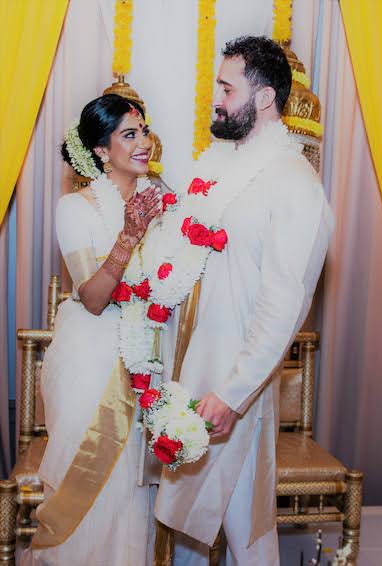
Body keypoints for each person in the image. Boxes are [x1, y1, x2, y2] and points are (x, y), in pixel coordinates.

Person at [155, 36, 334, 565]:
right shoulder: (218, 168)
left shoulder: (294, 184)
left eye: (226, 87)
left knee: (244, 527)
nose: (216, 98)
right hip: (194, 370)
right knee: (187, 516)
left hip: (237, 388)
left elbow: (286, 301)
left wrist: (233, 394)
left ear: (262, 98)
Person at [21, 93, 163, 565]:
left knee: (134, 495)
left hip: (150, 363)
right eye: (129, 134)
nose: (143, 142)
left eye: (143, 130)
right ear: (101, 150)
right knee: (94, 491)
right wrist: (128, 237)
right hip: (91, 365)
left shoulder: (165, 202)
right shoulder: (75, 208)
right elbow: (95, 298)